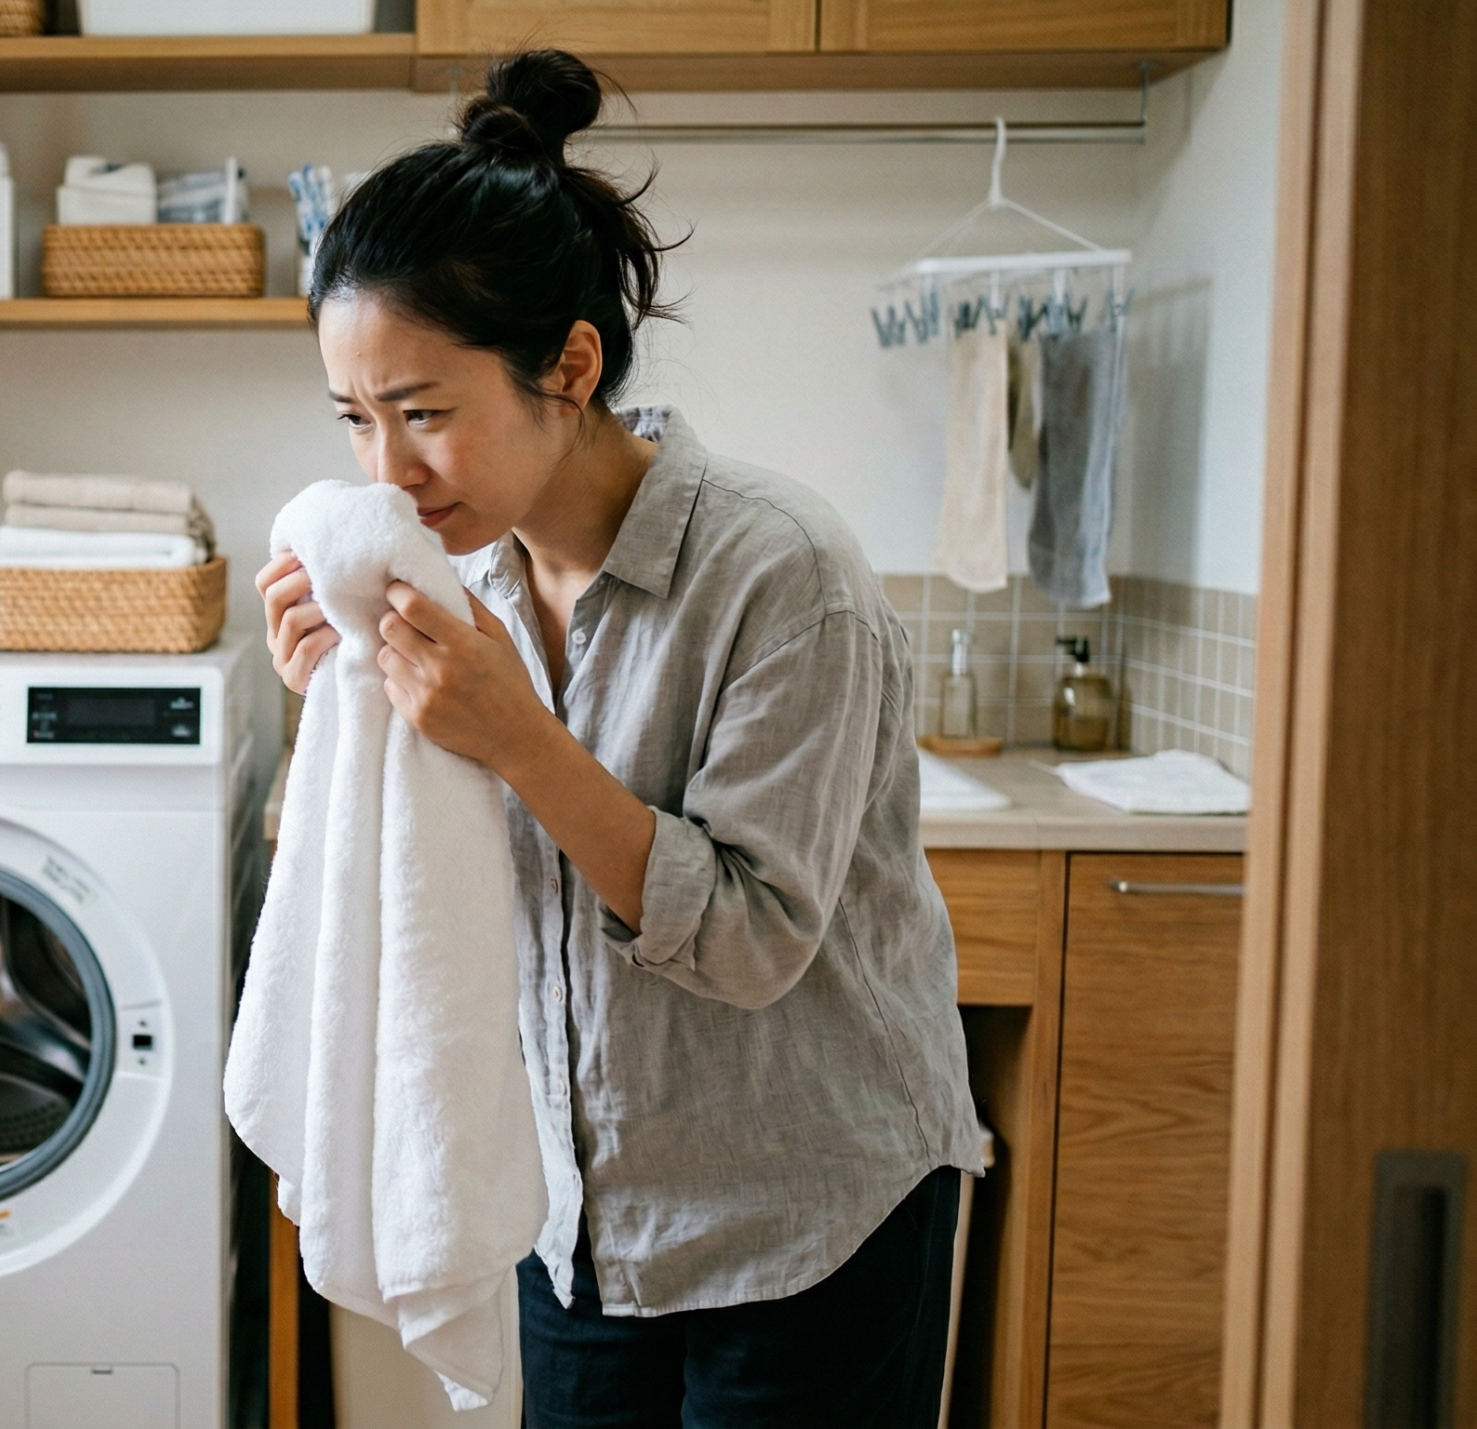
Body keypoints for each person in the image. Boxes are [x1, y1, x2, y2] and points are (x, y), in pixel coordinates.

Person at [258, 48, 989, 1429]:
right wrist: (339, 713)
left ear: (570, 366)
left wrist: (522, 740)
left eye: (425, 415)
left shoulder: (784, 577)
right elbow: (414, 870)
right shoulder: (450, 584)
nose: (386, 474)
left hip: (809, 1221)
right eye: (357, 421)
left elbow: (756, 938)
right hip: (579, 1213)